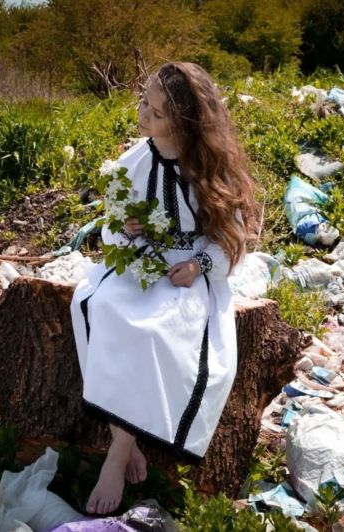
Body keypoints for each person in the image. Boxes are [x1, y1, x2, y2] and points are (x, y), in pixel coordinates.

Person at [70, 62, 260, 515]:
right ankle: (125, 442)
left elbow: (232, 241)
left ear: (183, 120)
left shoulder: (211, 168)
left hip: (188, 273)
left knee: (157, 331)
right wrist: (127, 230)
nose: (142, 118)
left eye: (155, 113)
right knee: (99, 307)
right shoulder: (131, 164)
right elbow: (112, 233)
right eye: (144, 104)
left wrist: (199, 265)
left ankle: (117, 453)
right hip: (141, 265)